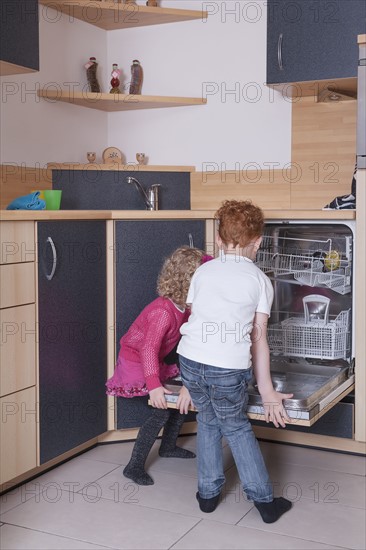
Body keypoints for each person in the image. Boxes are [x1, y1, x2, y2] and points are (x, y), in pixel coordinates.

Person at [177, 200, 294, 523]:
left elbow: (195, 316)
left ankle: (207, 494)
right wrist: (268, 391)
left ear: (217, 238)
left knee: (208, 421)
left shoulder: (202, 271)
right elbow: (258, 340)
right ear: (258, 242)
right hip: (226, 369)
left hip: (189, 360)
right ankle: (265, 502)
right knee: (237, 427)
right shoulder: (259, 280)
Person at [106, 246, 212, 486]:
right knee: (161, 410)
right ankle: (133, 467)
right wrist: (154, 386)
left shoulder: (183, 308)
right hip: (136, 361)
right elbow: (148, 349)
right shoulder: (163, 312)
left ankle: (168, 447)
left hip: (154, 361)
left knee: (177, 404)